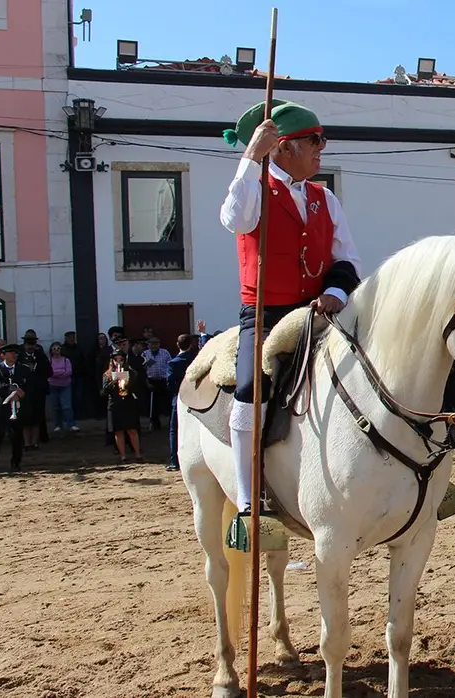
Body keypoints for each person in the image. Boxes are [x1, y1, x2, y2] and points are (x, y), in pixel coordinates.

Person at [220, 99, 363, 528]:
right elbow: (233, 218)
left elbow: (348, 259)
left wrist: (337, 289)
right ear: (284, 147)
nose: (321, 149)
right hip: (266, 313)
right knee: (250, 390)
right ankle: (248, 499)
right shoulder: (255, 188)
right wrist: (250, 158)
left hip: (319, 311)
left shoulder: (324, 197)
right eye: (313, 141)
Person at [0, 343, 28, 473]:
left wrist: (22, 393)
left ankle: (16, 464)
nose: (14, 355)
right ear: (2, 355)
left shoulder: (23, 369)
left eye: (15, 352)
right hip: (1, 408)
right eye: (11, 352)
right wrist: (13, 390)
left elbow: (30, 384)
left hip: (17, 408)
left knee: (17, 437)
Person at [166, 333, 200, 473]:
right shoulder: (195, 358)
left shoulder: (173, 363)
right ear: (191, 344)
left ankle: (175, 461)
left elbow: (170, 384)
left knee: (175, 430)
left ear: (177, 345)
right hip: (197, 398)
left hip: (180, 398)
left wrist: (177, 394)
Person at [103, 349, 142, 463]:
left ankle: (138, 454)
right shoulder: (107, 374)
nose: (118, 362)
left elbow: (136, 388)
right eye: (116, 359)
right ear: (112, 361)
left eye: (121, 359)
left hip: (128, 403)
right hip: (115, 404)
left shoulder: (131, 372)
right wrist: (115, 380)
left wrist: (127, 381)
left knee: (132, 430)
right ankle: (123, 456)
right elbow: (105, 390)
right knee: (118, 431)